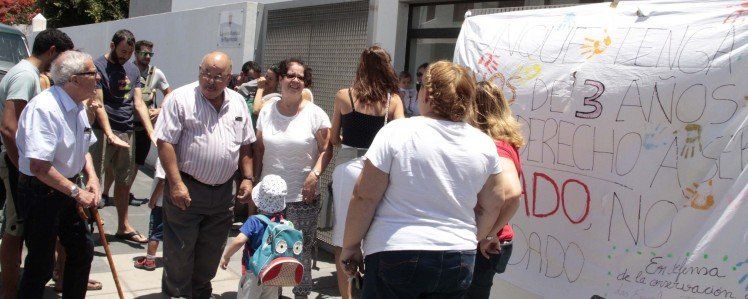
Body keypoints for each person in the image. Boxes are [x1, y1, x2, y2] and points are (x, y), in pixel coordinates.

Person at [340, 60, 513, 298]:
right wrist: (471, 238)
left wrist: (350, 246)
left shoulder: (396, 132)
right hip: (458, 255)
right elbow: (494, 203)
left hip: (396, 249)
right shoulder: (483, 143)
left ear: (428, 95)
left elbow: (365, 195)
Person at [155, 51, 256, 298]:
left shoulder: (238, 102)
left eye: (218, 76)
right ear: (199, 70)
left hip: (222, 194)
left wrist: (247, 177)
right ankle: (176, 294)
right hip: (186, 189)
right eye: (206, 74)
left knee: (210, 254)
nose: (210, 81)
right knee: (179, 254)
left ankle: (200, 293)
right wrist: (176, 183)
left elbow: (245, 145)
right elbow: (165, 142)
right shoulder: (179, 99)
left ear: (229, 77)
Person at [16, 50, 102, 298]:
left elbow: (83, 148)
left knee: (81, 251)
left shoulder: (77, 106)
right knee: (40, 265)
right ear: (74, 79)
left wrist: (93, 179)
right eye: (92, 73)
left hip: (67, 191)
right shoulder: (45, 109)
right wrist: (77, 192)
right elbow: (39, 167)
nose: (97, 78)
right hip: (41, 192)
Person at [0, 28, 74, 299]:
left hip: (23, 167)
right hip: (17, 166)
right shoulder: (24, 75)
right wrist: (23, 169)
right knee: (15, 228)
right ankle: (8, 292)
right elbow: (9, 129)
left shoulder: (30, 75)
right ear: (52, 51)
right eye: (63, 57)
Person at [329, 45, 404, 299]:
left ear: (361, 66)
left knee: (342, 237)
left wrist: (343, 137)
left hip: (347, 168)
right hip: (378, 169)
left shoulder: (343, 96)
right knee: (373, 229)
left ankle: (346, 295)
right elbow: (401, 138)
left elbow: (334, 138)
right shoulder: (392, 100)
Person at [254, 58, 331, 298]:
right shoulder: (266, 111)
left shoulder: (315, 114)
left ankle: (301, 295)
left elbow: (327, 148)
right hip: (270, 197)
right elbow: (259, 150)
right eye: (290, 75)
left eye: (300, 77)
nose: (295, 80)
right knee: (269, 249)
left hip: (302, 196)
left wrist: (314, 174)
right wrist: (254, 181)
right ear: (280, 79)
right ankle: (270, 295)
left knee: (301, 251)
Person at [90, 29, 155, 243]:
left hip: (127, 131)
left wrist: (151, 132)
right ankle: (87, 226)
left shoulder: (133, 70)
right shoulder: (97, 66)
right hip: (102, 132)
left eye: (129, 52)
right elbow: (98, 104)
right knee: (94, 179)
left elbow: (138, 103)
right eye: (122, 51)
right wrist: (109, 133)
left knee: (125, 180)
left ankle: (123, 226)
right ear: (112, 46)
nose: (125, 55)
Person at [467, 81, 524, 298]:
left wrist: (486, 234)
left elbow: (511, 194)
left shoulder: (495, 146)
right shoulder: (502, 142)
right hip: (487, 240)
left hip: (485, 244)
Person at [221, 174, 288, 299]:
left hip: (253, 271)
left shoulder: (254, 221)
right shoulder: (282, 221)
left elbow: (239, 241)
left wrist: (226, 256)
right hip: (272, 271)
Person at [233, 60, 262, 228]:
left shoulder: (257, 95)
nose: (254, 83)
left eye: (256, 79)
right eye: (251, 78)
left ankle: (245, 216)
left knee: (248, 179)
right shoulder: (236, 93)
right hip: (237, 145)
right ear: (242, 76)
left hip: (251, 145)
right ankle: (235, 213)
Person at [133, 157, 167, 271]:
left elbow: (162, 180)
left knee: (154, 233)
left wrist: (153, 200)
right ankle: (171, 258)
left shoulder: (163, 158)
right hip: (174, 204)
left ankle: (150, 260)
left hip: (160, 204)